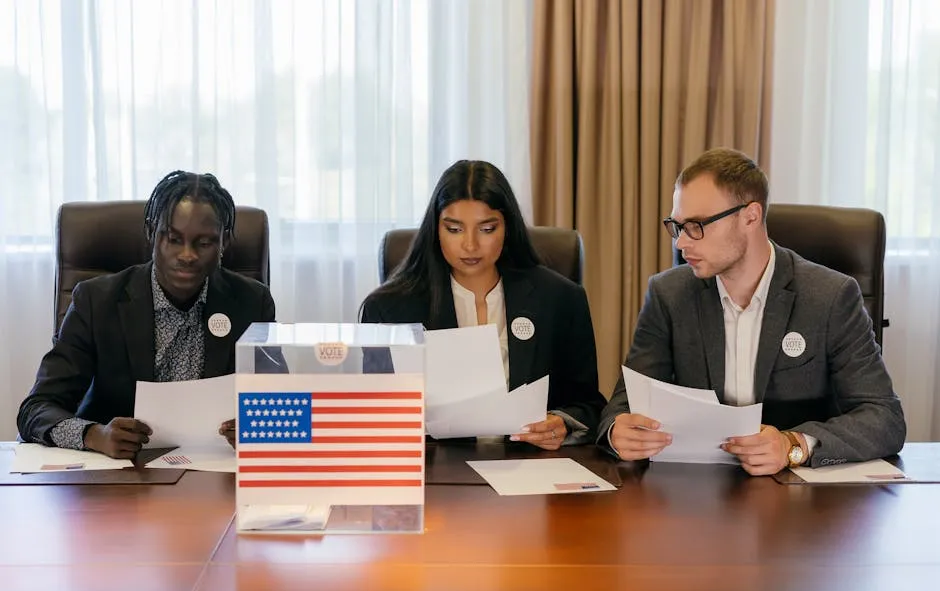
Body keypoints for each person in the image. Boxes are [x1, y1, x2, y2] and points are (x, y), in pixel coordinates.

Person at [598, 148, 905, 474]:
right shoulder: (669, 295)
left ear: (750, 216)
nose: (681, 243)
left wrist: (793, 445)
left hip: (797, 499)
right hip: (696, 493)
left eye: (697, 225)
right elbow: (623, 405)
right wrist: (619, 431)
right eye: (677, 226)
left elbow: (884, 417)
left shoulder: (830, 297)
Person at [17, 170, 276, 459]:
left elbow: (279, 406)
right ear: (152, 233)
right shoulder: (96, 301)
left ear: (224, 242)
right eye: (173, 239)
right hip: (122, 479)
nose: (187, 255)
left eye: (204, 243)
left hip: (215, 475)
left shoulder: (253, 303)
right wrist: (94, 435)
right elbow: (36, 409)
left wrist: (259, 427)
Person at [360, 160, 605, 449]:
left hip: (529, 468)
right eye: (454, 230)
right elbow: (372, 412)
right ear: (436, 230)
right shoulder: (389, 308)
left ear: (507, 227)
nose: (470, 245)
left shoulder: (560, 299)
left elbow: (588, 404)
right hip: (435, 471)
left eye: (487, 229)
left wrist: (560, 422)